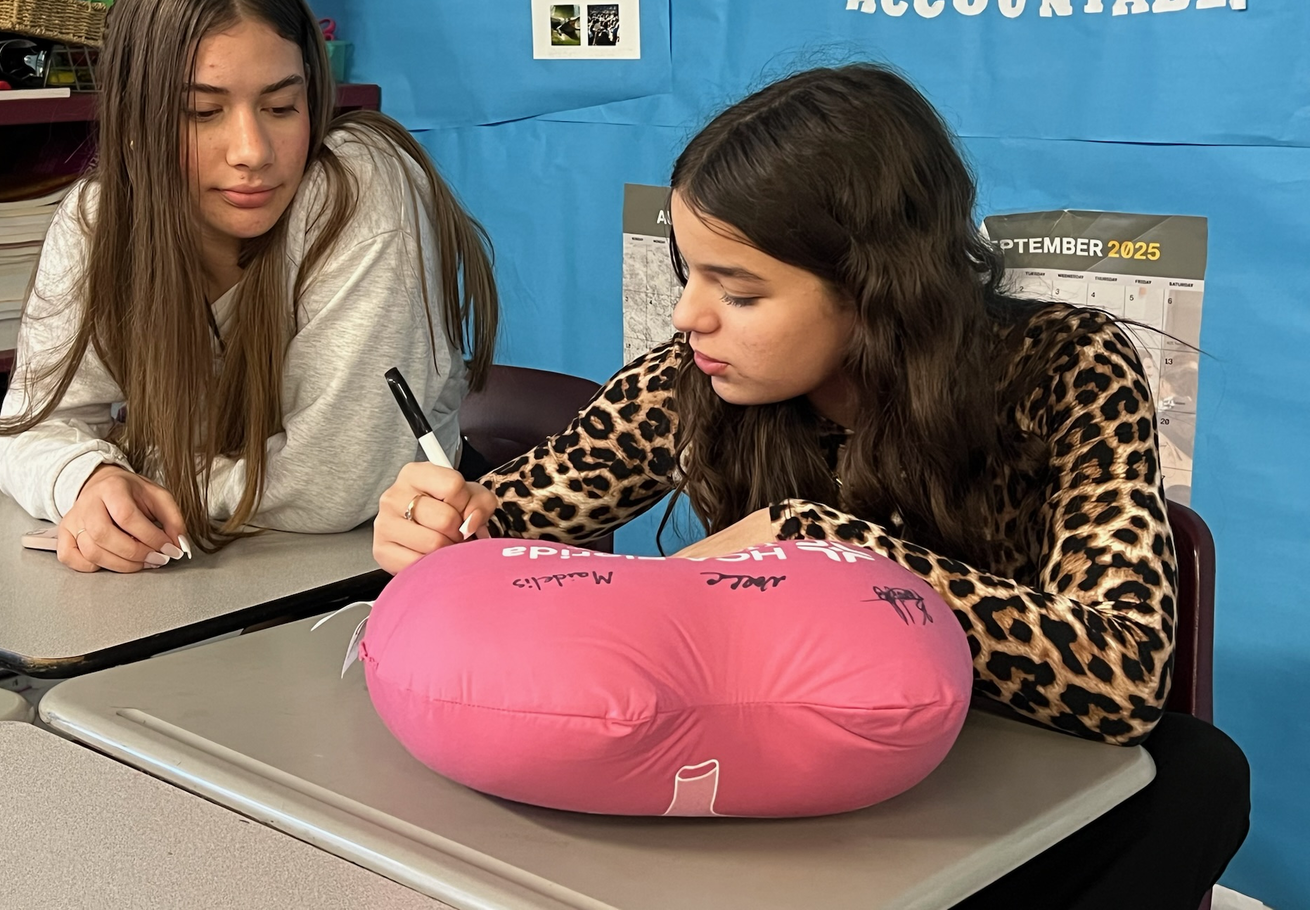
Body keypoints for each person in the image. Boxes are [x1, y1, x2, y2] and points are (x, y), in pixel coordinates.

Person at [373, 65, 1249, 908]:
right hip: (781, 776)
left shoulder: (1066, 367)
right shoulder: (693, 379)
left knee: (1199, 775)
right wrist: (438, 524)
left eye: (740, 291)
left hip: (989, 783)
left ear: (878, 292)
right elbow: (509, 526)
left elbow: (1120, 676)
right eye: (690, 275)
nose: (688, 317)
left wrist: (818, 543)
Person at [0, 0, 497, 573]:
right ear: (137, 118)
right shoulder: (99, 218)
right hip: (204, 573)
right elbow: (30, 430)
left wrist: (138, 469)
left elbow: (331, 488)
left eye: (282, 106)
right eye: (202, 112)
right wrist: (88, 482)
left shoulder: (360, 187)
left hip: (367, 578)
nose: (252, 151)